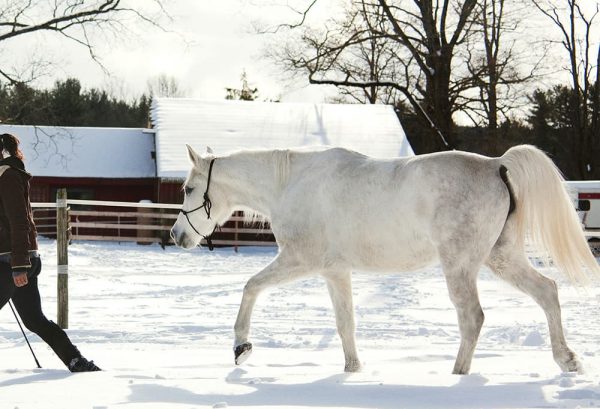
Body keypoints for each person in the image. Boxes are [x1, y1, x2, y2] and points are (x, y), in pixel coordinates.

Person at [0, 133, 100, 372]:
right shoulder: (7, 176)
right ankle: (76, 361)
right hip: (17, 259)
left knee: (35, 319)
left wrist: (19, 266)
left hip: (13, 262)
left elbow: (19, 221)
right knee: (34, 320)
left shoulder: (7, 177)